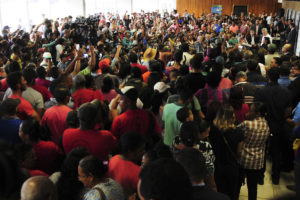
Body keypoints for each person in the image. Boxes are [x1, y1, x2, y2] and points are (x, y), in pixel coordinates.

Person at [255, 67, 292, 184]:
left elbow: (256, 108)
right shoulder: (286, 92)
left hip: (264, 124)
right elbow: (288, 109)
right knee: (277, 152)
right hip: (279, 124)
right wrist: (282, 118)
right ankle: (275, 177)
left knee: (262, 150)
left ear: (268, 77)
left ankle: (260, 177)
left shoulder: (261, 91)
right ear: (279, 76)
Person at [209, 105, 244, 200]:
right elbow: (238, 151)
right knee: (232, 193)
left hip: (217, 166)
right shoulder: (238, 131)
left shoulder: (212, 129)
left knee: (220, 192)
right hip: (232, 167)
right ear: (232, 115)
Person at [237, 102, 270, 200]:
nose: (248, 112)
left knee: (237, 184)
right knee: (252, 187)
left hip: (243, 159)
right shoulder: (266, 125)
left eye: (250, 111)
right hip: (257, 161)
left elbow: (235, 131)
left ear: (258, 113)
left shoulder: (247, 124)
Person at [108, 132, 145, 198]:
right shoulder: (138, 172)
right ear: (130, 152)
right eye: (141, 150)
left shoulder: (113, 159)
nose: (144, 152)